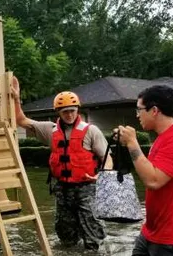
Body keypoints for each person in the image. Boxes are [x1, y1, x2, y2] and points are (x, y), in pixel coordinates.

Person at [11, 76, 111, 250]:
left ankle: (97, 252)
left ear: (77, 110)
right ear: (58, 112)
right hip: (62, 189)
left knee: (92, 229)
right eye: (65, 111)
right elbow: (21, 120)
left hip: (87, 187)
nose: (69, 115)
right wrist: (16, 98)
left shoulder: (91, 131)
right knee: (64, 232)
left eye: (72, 110)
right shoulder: (50, 130)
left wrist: (102, 175)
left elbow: (108, 157)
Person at [117, 85, 173, 256]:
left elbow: (153, 180)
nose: (137, 114)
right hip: (152, 231)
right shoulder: (163, 137)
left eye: (139, 109)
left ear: (154, 110)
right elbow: (148, 171)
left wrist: (133, 143)